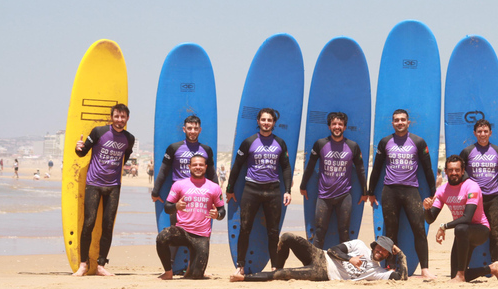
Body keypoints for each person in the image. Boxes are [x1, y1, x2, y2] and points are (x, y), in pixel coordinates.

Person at [368, 109, 437, 279]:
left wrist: (433, 192)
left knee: (419, 230)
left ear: (408, 122)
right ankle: (391, 267)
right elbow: (377, 168)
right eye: (396, 120)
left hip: (411, 191)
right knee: (391, 232)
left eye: (403, 120)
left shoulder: (418, 142)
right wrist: (370, 191)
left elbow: (427, 169)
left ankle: (425, 269)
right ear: (392, 123)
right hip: (389, 191)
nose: (400, 122)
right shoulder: (385, 142)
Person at [225, 108, 292, 274]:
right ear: (258, 121)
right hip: (251, 190)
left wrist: (288, 190)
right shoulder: (249, 142)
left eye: (269, 120)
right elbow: (237, 166)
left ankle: (275, 266)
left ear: (274, 123)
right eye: (263, 120)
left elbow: (285, 168)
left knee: (273, 231)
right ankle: (240, 266)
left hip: (273, 191)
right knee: (245, 228)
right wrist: (229, 189)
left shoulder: (280, 143)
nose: (266, 123)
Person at [73, 103, 135, 277]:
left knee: (108, 226)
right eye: (116, 116)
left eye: (123, 117)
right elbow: (82, 152)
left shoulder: (129, 139)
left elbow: (126, 156)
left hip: (113, 186)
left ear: (127, 119)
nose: (119, 120)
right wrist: (78, 148)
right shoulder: (98, 132)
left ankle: (101, 265)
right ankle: (83, 264)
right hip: (93, 183)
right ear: (111, 117)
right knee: (89, 223)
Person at [424, 155, 498, 282]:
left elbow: (467, 217)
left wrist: (444, 226)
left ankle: (460, 276)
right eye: (450, 170)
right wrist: (427, 209)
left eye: (457, 170)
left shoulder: (472, 187)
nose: (454, 173)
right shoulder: (442, 190)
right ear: (446, 171)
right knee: (453, 274)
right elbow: (430, 219)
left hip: (480, 230)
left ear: (462, 170)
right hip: (463, 234)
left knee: (460, 228)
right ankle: (491, 269)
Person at [299, 112, 368, 248]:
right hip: (324, 196)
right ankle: (317, 264)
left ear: (345, 127)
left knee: (344, 232)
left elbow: (360, 170)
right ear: (329, 127)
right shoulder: (320, 144)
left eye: (340, 124)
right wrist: (303, 186)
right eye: (334, 124)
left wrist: (365, 192)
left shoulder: (353, 146)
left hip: (344, 196)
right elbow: (310, 166)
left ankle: (344, 263)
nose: (337, 127)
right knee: (319, 231)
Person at [459, 119, 498, 269]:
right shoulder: (467, 151)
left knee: (494, 232)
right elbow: (460, 173)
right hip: (473, 199)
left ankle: (495, 265)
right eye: (479, 131)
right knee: (468, 231)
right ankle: (464, 266)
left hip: (492, 198)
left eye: (485, 131)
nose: (482, 134)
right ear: (474, 133)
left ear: (490, 133)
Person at [157, 154, 225, 279]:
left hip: (201, 235)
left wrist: (217, 215)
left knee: (196, 276)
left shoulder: (214, 187)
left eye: (200, 165)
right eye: (194, 165)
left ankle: (191, 266)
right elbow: (167, 207)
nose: (197, 167)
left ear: (205, 167)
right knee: (162, 237)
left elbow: (222, 211)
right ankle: (168, 272)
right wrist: (176, 206)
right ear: (189, 167)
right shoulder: (179, 185)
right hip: (182, 231)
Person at [230, 233, 407, 282]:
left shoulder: (376, 272)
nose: (381, 252)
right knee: (287, 237)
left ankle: (244, 278)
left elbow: (401, 277)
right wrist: (349, 259)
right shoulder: (359, 244)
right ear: (375, 245)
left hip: (324, 272)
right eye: (380, 247)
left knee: (286, 274)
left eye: (385, 252)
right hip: (320, 255)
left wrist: (400, 254)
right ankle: (275, 267)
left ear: (387, 256)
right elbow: (332, 250)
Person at [151, 115, 219, 228]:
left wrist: (218, 198)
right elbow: (163, 171)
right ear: (184, 129)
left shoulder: (206, 150)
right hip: (179, 194)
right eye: (189, 128)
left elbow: (212, 174)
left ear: (200, 130)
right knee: (176, 229)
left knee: (197, 230)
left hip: (200, 195)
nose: (192, 131)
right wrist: (155, 192)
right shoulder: (173, 148)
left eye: (195, 128)